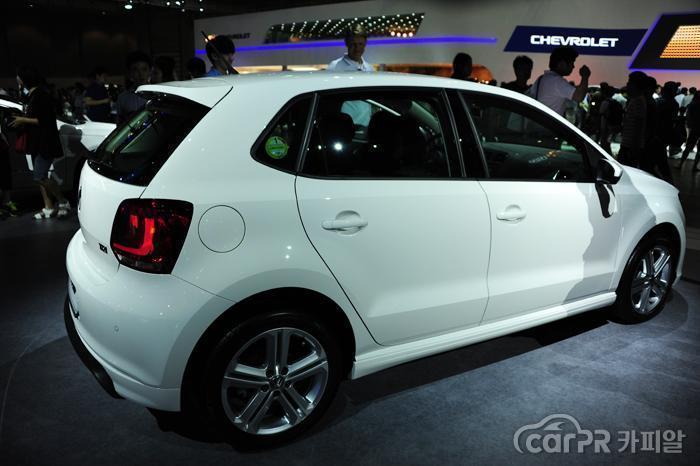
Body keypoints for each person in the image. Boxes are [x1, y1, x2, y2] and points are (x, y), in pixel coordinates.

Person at [10, 65, 71, 219]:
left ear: (25, 78)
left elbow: (45, 120)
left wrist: (22, 120)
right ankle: (48, 207)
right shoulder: (30, 95)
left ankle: (63, 201)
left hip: (45, 142)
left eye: (18, 76)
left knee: (39, 176)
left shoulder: (41, 95)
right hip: (36, 142)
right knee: (41, 177)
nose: (16, 79)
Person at [327, 25, 374, 128]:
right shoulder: (335, 67)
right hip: (344, 128)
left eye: (360, 44)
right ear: (346, 43)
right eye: (353, 44)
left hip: (366, 127)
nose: (357, 48)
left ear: (365, 44)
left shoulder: (369, 68)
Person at [527, 45, 590, 116]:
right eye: (571, 63)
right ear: (561, 64)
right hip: (548, 123)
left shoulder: (542, 78)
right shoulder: (556, 81)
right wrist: (585, 76)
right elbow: (579, 96)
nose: (573, 66)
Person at [617, 71, 647, 168]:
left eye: (629, 83)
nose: (627, 85)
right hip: (629, 144)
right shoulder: (635, 100)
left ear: (636, 85)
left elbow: (639, 125)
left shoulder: (638, 101)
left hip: (630, 146)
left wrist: (634, 148)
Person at [116, 51, 151, 124]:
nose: (141, 74)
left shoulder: (158, 95)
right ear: (130, 73)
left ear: (149, 71)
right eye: (135, 70)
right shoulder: (123, 98)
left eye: (144, 69)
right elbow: (119, 124)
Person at [598, 84, 623, 155]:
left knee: (604, 141)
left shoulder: (605, 102)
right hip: (612, 124)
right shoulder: (614, 102)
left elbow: (601, 112)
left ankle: (606, 155)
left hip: (605, 124)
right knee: (607, 141)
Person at [679, 94, 700, 171]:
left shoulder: (693, 104)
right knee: (699, 150)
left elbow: (688, 115)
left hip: (694, 128)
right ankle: (695, 166)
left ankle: (680, 164)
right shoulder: (694, 104)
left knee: (688, 147)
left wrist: (689, 124)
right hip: (696, 127)